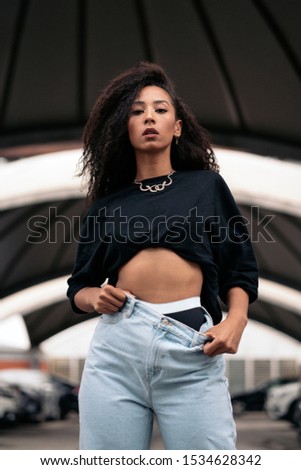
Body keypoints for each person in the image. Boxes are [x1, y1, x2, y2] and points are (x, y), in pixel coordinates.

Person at [67, 61, 258, 450]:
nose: (149, 117)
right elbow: (78, 287)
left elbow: (239, 267)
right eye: (137, 112)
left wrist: (236, 319)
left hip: (190, 345)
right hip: (118, 348)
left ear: (178, 126)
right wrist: (95, 297)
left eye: (160, 109)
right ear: (125, 127)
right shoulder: (107, 204)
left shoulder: (206, 186)